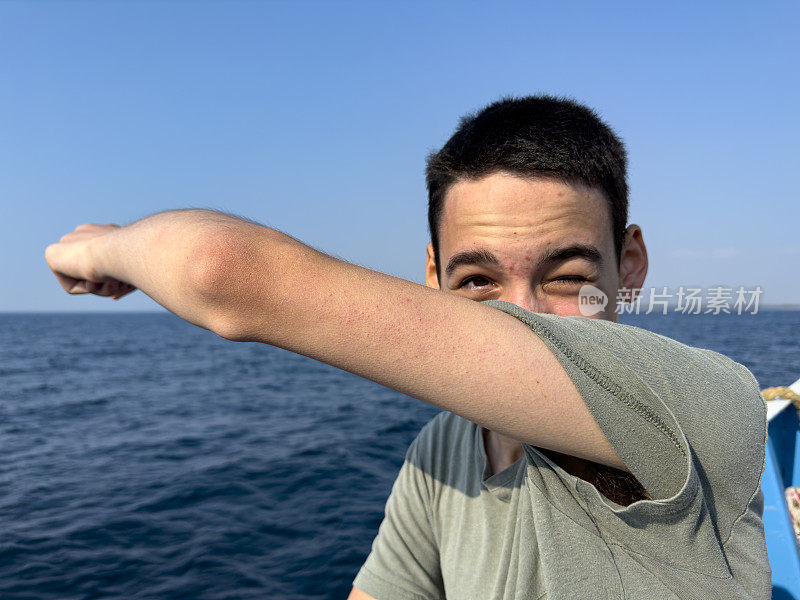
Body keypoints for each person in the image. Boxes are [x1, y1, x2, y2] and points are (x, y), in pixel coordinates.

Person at [45, 95, 770, 600]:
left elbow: (223, 274)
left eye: (568, 276)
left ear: (631, 265)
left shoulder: (698, 407)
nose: (519, 316)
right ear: (432, 277)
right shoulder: (441, 452)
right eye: (479, 279)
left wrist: (104, 246)